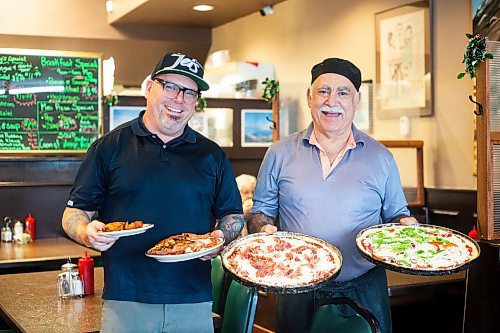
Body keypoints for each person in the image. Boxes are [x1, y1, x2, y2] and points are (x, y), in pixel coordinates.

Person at [62, 52, 243, 333]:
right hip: (126, 300)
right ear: (149, 88)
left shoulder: (212, 155)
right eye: (170, 87)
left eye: (189, 93)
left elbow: (232, 214)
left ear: (196, 102)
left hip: (192, 300)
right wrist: (87, 232)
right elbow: (74, 212)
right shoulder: (109, 147)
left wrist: (221, 236)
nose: (179, 100)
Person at [247, 57, 418, 333]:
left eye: (342, 92)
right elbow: (259, 212)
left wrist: (406, 226)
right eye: (323, 91)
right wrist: (263, 228)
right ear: (309, 96)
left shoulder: (381, 157)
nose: (331, 101)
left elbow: (397, 216)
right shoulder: (279, 153)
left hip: (362, 289)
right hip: (296, 286)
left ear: (357, 99)